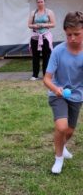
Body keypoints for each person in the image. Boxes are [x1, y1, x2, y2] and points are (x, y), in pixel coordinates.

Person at [43, 11, 83, 174]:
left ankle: (62, 145)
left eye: (76, 34)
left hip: (77, 95)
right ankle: (58, 159)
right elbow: (46, 79)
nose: (72, 38)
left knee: (70, 131)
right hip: (57, 94)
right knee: (61, 127)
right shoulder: (58, 51)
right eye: (68, 35)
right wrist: (56, 89)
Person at [28, 0, 55, 81]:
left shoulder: (49, 12)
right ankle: (35, 75)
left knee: (46, 56)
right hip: (35, 37)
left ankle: (45, 75)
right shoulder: (33, 12)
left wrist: (44, 24)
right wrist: (35, 26)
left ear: (44, 2)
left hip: (45, 37)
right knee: (35, 56)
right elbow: (29, 24)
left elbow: (53, 24)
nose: (40, 3)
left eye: (41, 2)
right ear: (36, 3)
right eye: (38, 2)